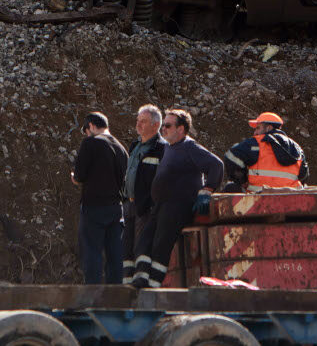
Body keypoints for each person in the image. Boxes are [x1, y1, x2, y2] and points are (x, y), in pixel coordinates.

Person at [130, 109, 223, 288]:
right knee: (144, 241)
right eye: (163, 125)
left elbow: (216, 165)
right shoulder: (169, 148)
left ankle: (153, 284)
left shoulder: (189, 147)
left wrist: (207, 190)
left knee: (160, 244)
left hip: (177, 206)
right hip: (161, 205)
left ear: (181, 129)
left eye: (168, 125)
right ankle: (141, 279)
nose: (163, 129)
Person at [71, 111, 128, 285]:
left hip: (93, 208)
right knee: (115, 256)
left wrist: (74, 176)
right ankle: (115, 296)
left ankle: (93, 297)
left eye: (86, 130)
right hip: (116, 209)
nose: (87, 134)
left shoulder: (91, 143)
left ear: (92, 126)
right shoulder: (121, 148)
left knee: (92, 253)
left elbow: (80, 175)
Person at [122, 104, 166, 282]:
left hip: (146, 205)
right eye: (138, 121)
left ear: (155, 125)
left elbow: (161, 180)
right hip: (129, 203)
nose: (138, 125)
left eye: (143, 121)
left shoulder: (161, 148)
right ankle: (127, 281)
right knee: (126, 247)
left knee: (142, 245)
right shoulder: (135, 146)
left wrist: (151, 202)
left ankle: (141, 280)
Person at [223, 112, 308, 192]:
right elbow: (303, 174)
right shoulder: (296, 148)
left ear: (269, 128)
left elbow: (230, 157)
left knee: (230, 187)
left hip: (258, 199)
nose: (255, 132)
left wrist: (242, 180)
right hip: (290, 199)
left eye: (258, 128)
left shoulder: (256, 143)